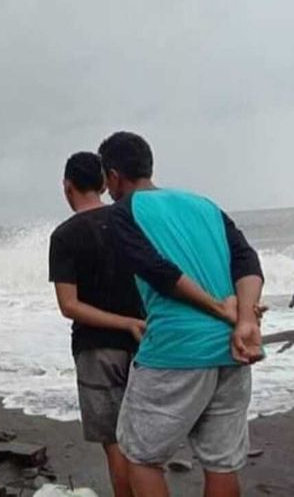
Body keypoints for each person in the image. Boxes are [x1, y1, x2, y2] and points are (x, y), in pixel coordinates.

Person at [98, 131, 264, 497]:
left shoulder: (123, 213)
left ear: (113, 175)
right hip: (232, 350)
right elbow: (247, 260)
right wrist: (245, 320)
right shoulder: (205, 205)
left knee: (141, 457)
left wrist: (216, 307)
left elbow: (158, 271)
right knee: (222, 462)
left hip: (174, 351)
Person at [49, 151, 146, 497]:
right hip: (147, 342)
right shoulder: (132, 220)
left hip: (96, 349)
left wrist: (120, 323)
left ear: (67, 186)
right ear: (105, 184)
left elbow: (69, 305)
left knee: (114, 442)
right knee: (144, 439)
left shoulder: (64, 236)